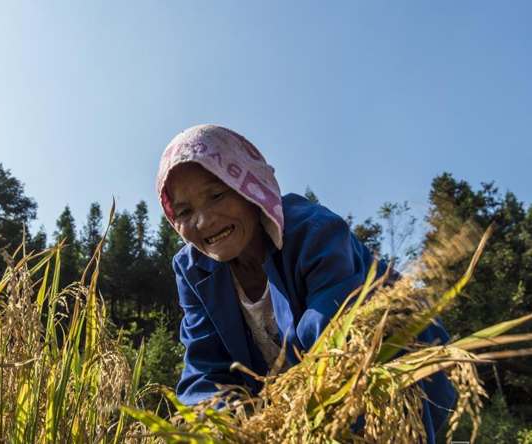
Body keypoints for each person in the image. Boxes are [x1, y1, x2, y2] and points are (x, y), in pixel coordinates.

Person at [155, 124, 455, 443]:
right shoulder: (194, 270)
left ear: (248, 186)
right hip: (293, 406)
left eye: (216, 195)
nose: (203, 221)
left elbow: (336, 344)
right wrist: (229, 431)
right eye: (185, 212)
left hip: (385, 382)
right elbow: (206, 371)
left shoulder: (314, 232)